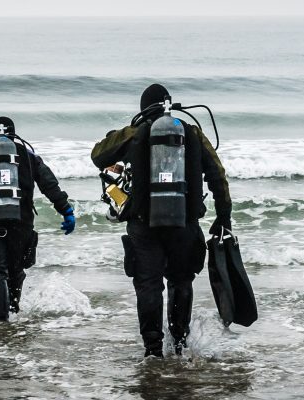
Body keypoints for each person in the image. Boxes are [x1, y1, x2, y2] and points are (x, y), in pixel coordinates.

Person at [90, 84, 232, 358]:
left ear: (144, 108)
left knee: (148, 285)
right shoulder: (192, 133)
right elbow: (218, 174)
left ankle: (153, 349)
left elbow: (98, 155)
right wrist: (223, 216)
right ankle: (179, 344)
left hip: (144, 225)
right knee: (181, 281)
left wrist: (127, 131)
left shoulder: (135, 133)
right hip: (184, 223)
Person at [0, 116, 75, 321]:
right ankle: (13, 312)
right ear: (14, 134)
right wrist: (66, 211)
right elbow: (49, 184)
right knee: (15, 269)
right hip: (21, 222)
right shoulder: (29, 156)